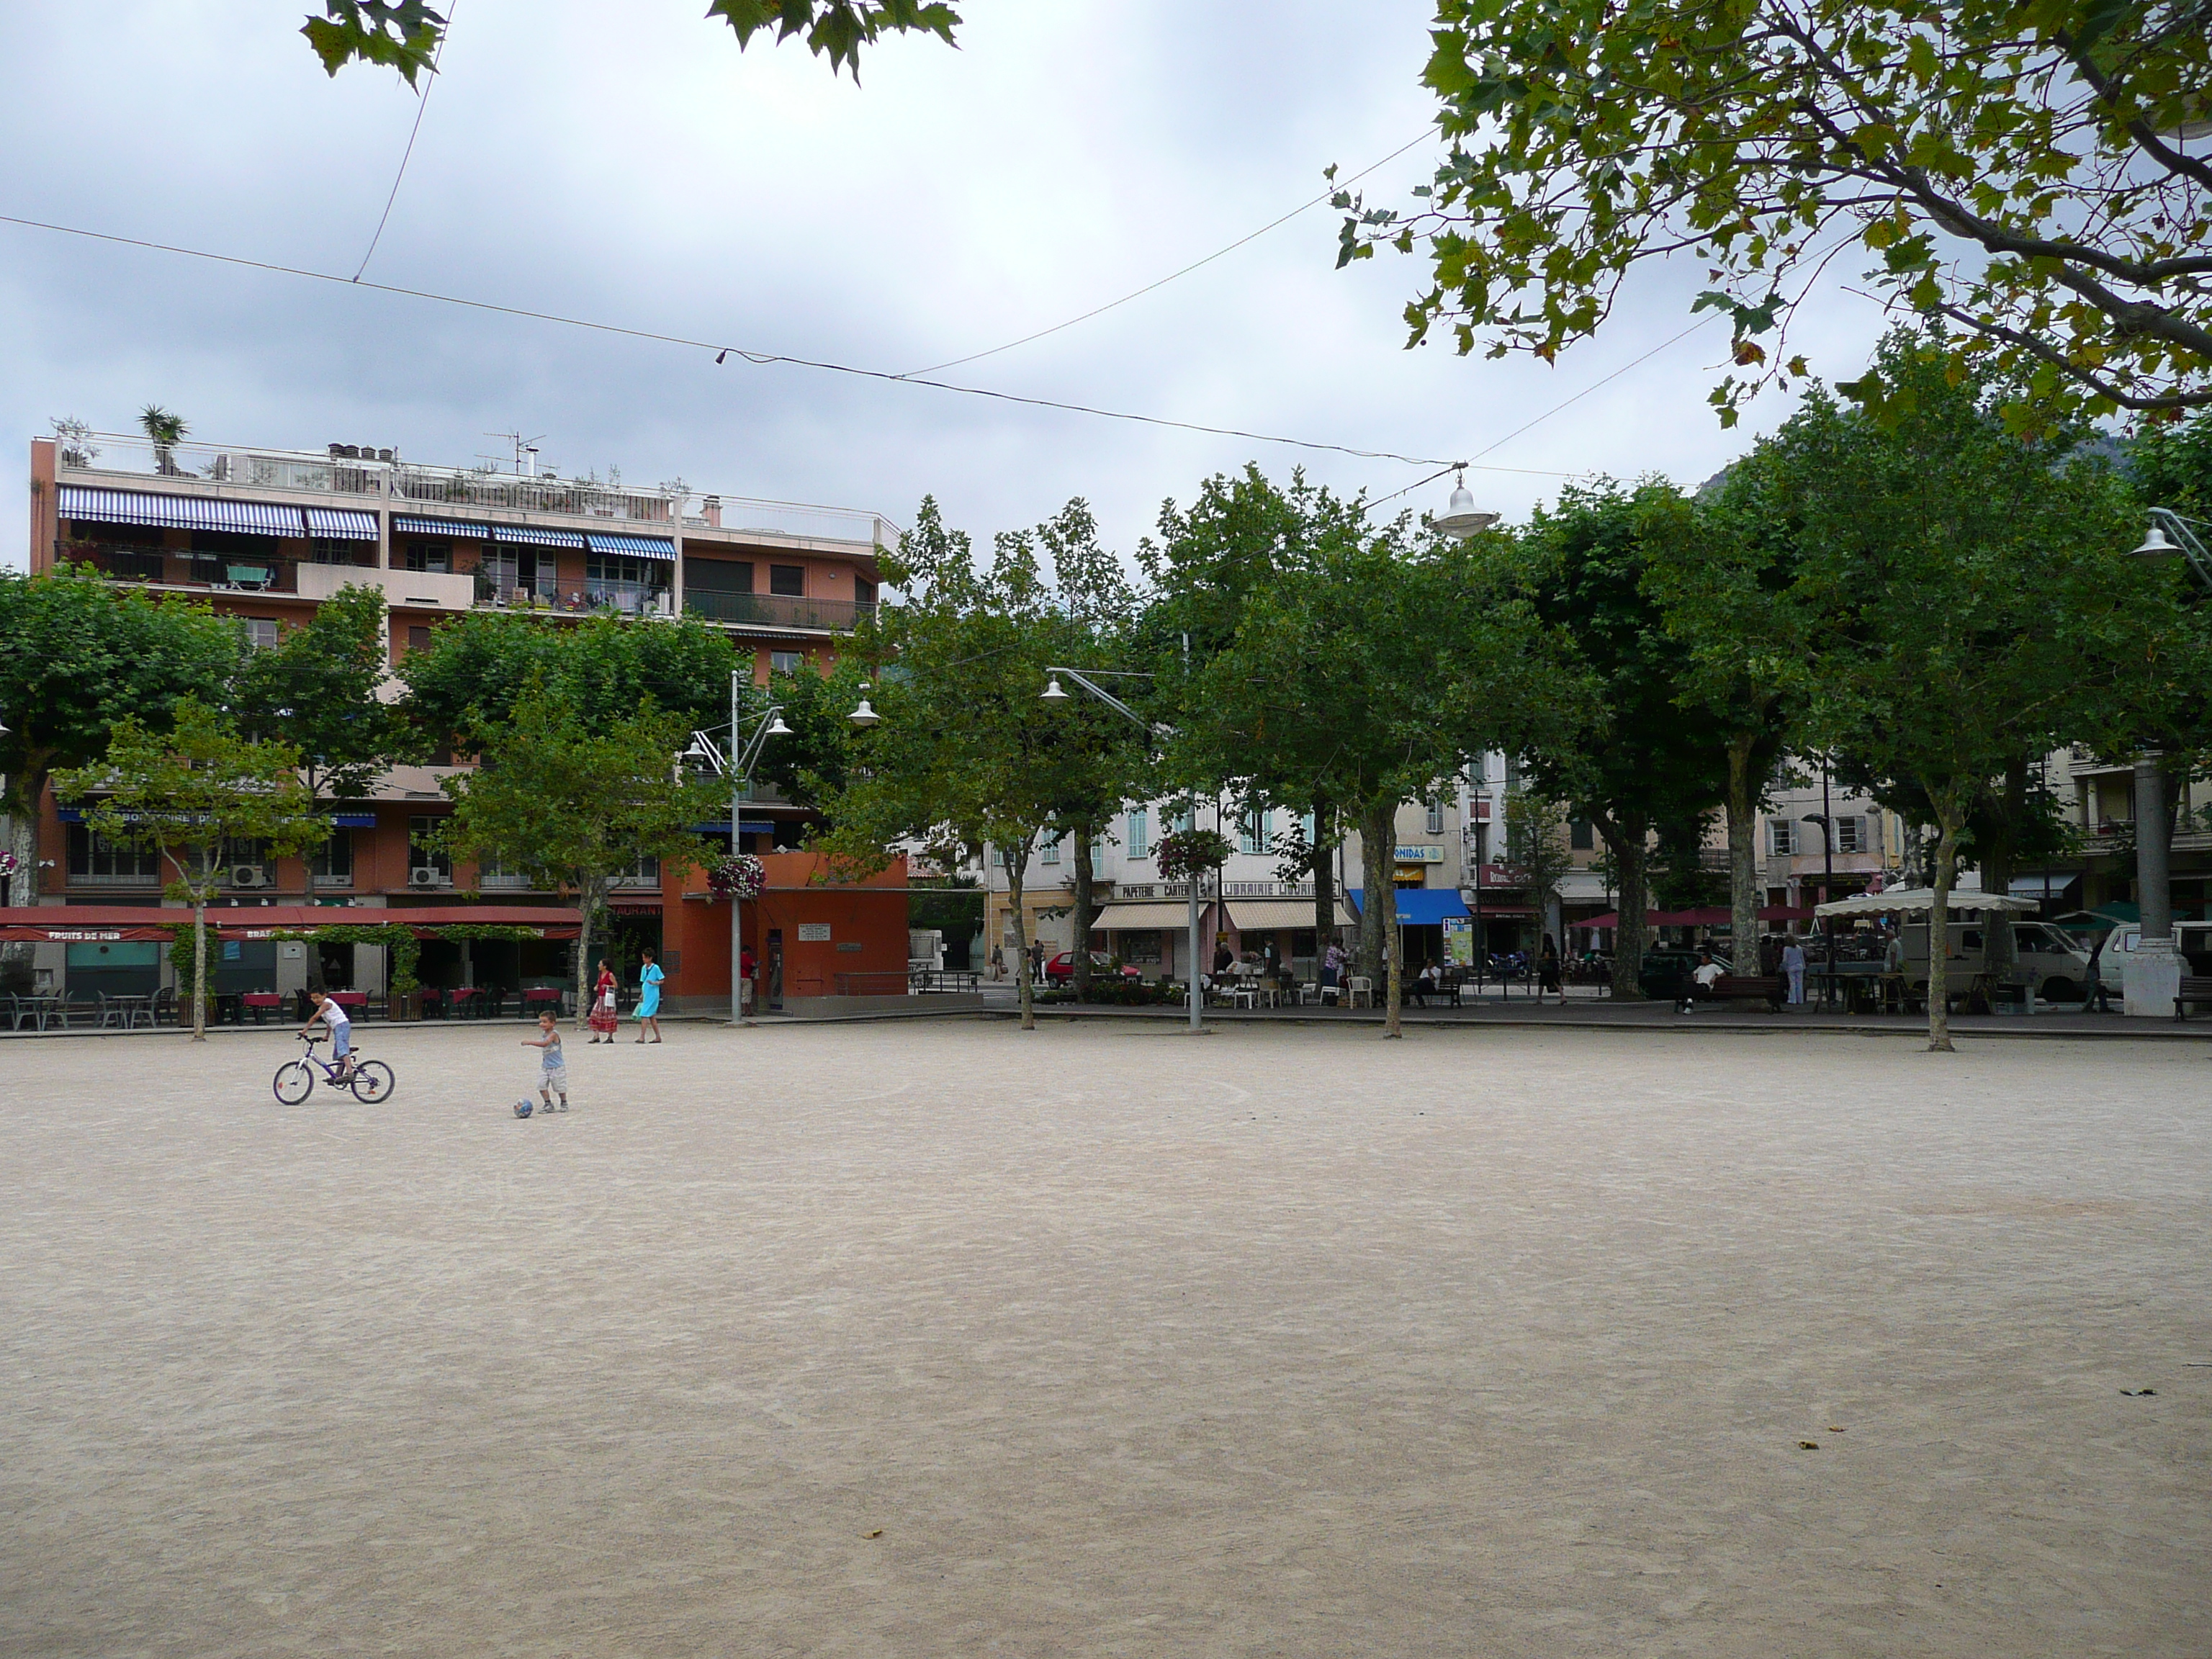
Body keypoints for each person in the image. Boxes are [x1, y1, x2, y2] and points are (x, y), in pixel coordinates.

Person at [300, 988, 352, 1081]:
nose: (315, 1000)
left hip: (342, 1026)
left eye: (317, 997)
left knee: (342, 1049)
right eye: (313, 998)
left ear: (324, 995)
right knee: (339, 1054)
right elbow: (329, 1023)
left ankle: (349, 1073)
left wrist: (304, 1031)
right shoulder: (323, 1007)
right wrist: (327, 1036)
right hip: (338, 1027)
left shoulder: (326, 1004)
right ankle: (338, 1077)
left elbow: (315, 1018)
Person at [523, 1012, 568, 1112]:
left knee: (559, 1086)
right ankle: (548, 1103)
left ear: (552, 1023)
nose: (542, 1024)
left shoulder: (554, 1034)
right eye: (541, 1022)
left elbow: (545, 1044)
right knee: (541, 1085)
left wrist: (530, 1042)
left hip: (557, 1067)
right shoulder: (544, 1034)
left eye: (545, 1022)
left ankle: (564, 1102)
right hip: (545, 1066)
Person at [633, 947, 665, 1043]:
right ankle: (658, 1037)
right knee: (651, 1016)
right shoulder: (644, 968)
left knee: (644, 1014)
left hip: (653, 994)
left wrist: (655, 983)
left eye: (645, 958)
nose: (644, 960)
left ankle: (642, 1037)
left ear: (650, 958)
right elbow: (643, 982)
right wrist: (642, 994)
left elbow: (662, 980)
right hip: (646, 993)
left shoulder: (656, 968)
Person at [587, 959, 618, 1043]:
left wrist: (607, 986)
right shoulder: (600, 974)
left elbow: (616, 985)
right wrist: (597, 987)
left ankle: (610, 1037)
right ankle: (596, 1036)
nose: (598, 966)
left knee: (608, 1016)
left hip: (607, 998)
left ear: (605, 966)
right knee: (595, 1015)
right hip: (600, 998)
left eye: (600, 964)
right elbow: (599, 983)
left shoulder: (610, 975)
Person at [1781, 935, 1807, 1006]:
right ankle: (1800, 999)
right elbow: (1802, 958)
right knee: (1799, 983)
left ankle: (1793, 999)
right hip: (1800, 967)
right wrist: (1804, 967)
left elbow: (1785, 960)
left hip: (1791, 967)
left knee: (1792, 983)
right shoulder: (1799, 948)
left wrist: (1784, 968)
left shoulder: (1786, 949)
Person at [1539, 934, 1563, 1003]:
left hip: (1547, 967)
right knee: (1556, 981)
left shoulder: (1546, 947)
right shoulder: (1553, 947)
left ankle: (1539, 998)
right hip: (1554, 965)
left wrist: (1541, 959)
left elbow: (1547, 957)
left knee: (1542, 982)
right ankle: (1563, 996)